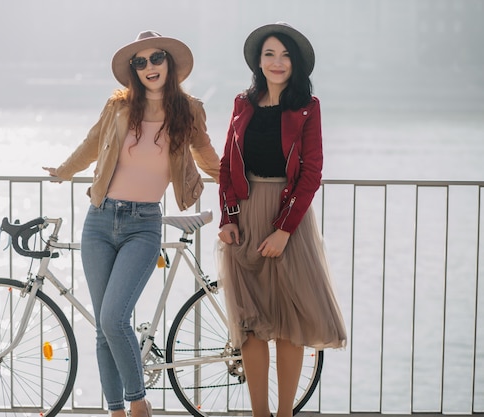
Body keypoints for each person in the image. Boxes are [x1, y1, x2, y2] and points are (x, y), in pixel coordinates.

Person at [43, 30, 220, 417]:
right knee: (104, 328)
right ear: (133, 71)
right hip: (100, 219)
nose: (149, 67)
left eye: (156, 58)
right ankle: (116, 411)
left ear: (169, 64)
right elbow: (93, 144)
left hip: (144, 224)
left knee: (113, 317)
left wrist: (236, 181)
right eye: (140, 62)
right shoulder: (119, 107)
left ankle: (138, 402)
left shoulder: (187, 110)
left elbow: (205, 154)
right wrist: (65, 170)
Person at [217, 22, 347, 417]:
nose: (277, 62)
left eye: (285, 55)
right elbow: (227, 164)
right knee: (251, 323)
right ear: (259, 60)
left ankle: (285, 413)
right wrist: (228, 217)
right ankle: (259, 414)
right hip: (246, 212)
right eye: (270, 54)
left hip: (287, 220)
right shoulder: (244, 103)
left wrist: (284, 231)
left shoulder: (308, 107)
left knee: (289, 321)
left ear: (297, 64)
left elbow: (312, 173)